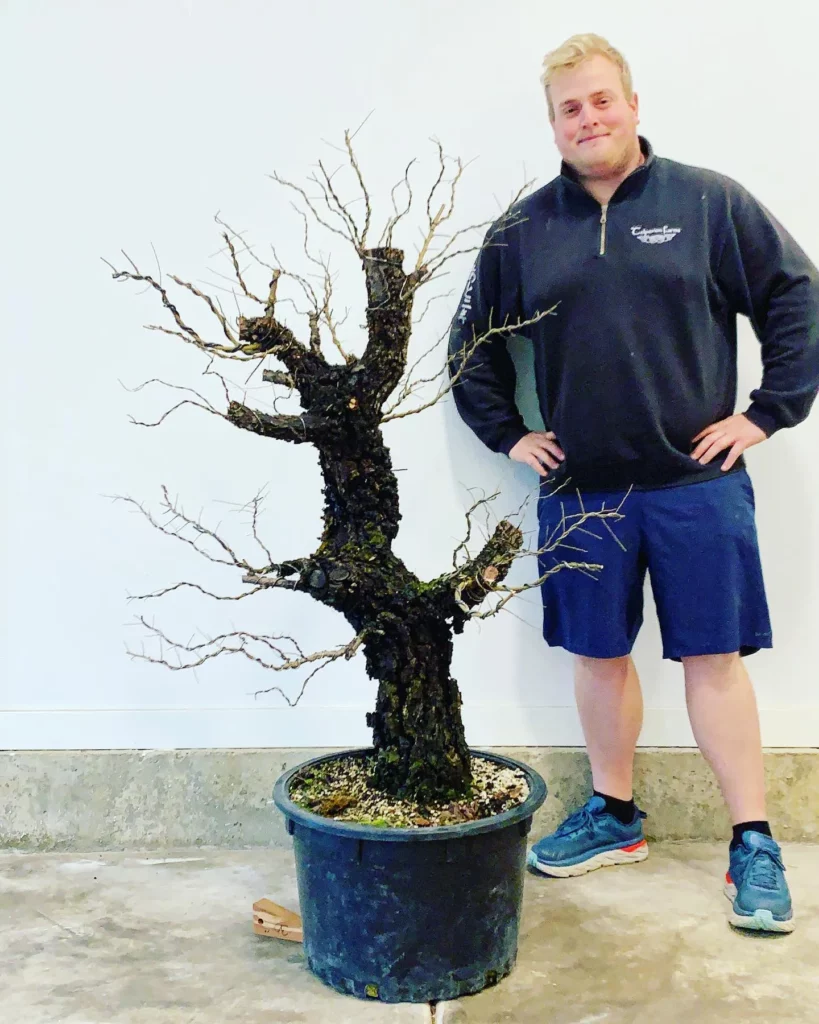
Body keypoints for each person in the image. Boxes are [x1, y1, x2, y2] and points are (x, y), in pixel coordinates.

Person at [448, 33, 819, 934]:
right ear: (552, 124)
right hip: (582, 493)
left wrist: (766, 412)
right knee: (597, 656)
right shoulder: (523, 230)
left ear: (632, 104)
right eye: (569, 108)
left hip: (696, 482)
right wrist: (509, 433)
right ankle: (614, 815)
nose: (589, 118)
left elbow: (794, 297)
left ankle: (751, 841)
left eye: (601, 100)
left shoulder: (708, 203)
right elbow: (471, 346)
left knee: (712, 659)